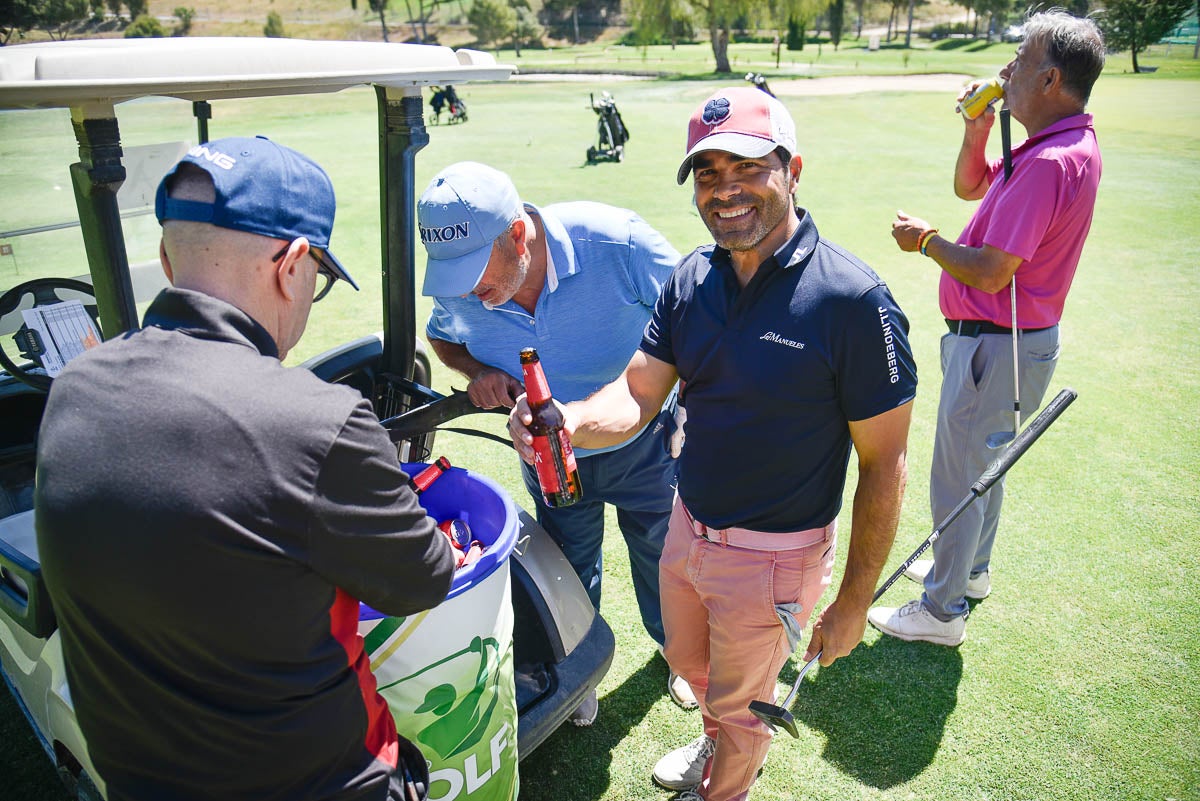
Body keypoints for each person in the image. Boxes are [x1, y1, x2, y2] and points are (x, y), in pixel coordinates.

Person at [509, 87, 917, 801]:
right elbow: (637, 394)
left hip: (775, 557)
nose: (725, 190)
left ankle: (724, 786)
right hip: (685, 528)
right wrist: (568, 421)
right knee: (691, 666)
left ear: (793, 169)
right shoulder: (691, 277)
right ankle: (712, 741)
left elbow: (885, 464)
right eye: (708, 173)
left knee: (742, 704)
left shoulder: (853, 301)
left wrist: (853, 599)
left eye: (748, 167)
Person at [35, 136, 455, 801]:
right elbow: (426, 575)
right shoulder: (318, 422)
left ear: (170, 258)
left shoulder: (71, 391)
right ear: (291, 265)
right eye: (315, 276)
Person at [416, 161, 695, 721]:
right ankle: (578, 669)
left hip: (647, 442)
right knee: (568, 563)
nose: (471, 291)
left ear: (517, 232)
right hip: (546, 459)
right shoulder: (464, 291)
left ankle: (681, 654)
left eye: (476, 269)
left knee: (663, 553)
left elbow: (698, 315)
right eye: (455, 276)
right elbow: (442, 338)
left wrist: (691, 405)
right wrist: (475, 371)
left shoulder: (617, 242)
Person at [870, 11, 1104, 647]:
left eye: (1021, 59)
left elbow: (995, 272)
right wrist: (977, 131)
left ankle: (941, 611)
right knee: (986, 464)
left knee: (958, 472)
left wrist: (925, 243)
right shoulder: (1052, 146)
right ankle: (968, 571)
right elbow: (970, 184)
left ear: (1051, 76)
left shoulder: (1052, 160)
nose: (1007, 70)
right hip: (1009, 345)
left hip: (996, 344)